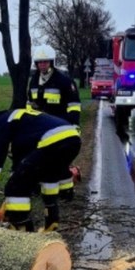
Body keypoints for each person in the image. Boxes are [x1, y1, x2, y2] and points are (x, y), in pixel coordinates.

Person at [0, 107, 81, 232]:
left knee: (16, 188)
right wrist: (5, 207)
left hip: (52, 139)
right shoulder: (18, 126)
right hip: (72, 138)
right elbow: (19, 168)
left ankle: (22, 229)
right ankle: (51, 223)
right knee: (48, 177)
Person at [27, 44, 82, 201]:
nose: (42, 65)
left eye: (45, 62)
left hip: (61, 128)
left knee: (60, 162)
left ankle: (66, 193)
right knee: (39, 159)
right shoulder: (34, 81)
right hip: (40, 128)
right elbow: (30, 104)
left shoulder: (64, 81)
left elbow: (74, 106)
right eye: (39, 62)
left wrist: (73, 127)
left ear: (51, 62)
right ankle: (38, 187)